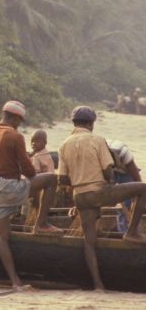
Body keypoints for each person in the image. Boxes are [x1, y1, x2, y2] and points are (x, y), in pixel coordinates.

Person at [58, 106, 146, 290]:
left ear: (74, 123)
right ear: (91, 124)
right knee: (143, 189)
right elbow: (107, 170)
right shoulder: (97, 140)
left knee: (89, 242)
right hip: (98, 191)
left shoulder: (64, 144)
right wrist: (110, 183)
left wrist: (80, 180)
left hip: (80, 197)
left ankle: (98, 284)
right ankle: (131, 232)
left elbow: (63, 180)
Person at [0, 101, 61, 289]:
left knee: (3, 238)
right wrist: (25, 165)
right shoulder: (15, 136)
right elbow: (29, 171)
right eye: (19, 121)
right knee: (51, 180)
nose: (19, 125)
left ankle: (15, 280)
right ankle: (41, 224)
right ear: (15, 119)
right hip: (8, 188)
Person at [106, 139, 142, 234]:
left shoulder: (123, 153)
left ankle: (127, 230)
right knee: (107, 200)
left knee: (128, 203)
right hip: (109, 171)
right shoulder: (100, 153)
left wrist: (136, 198)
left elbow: (138, 181)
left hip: (126, 173)